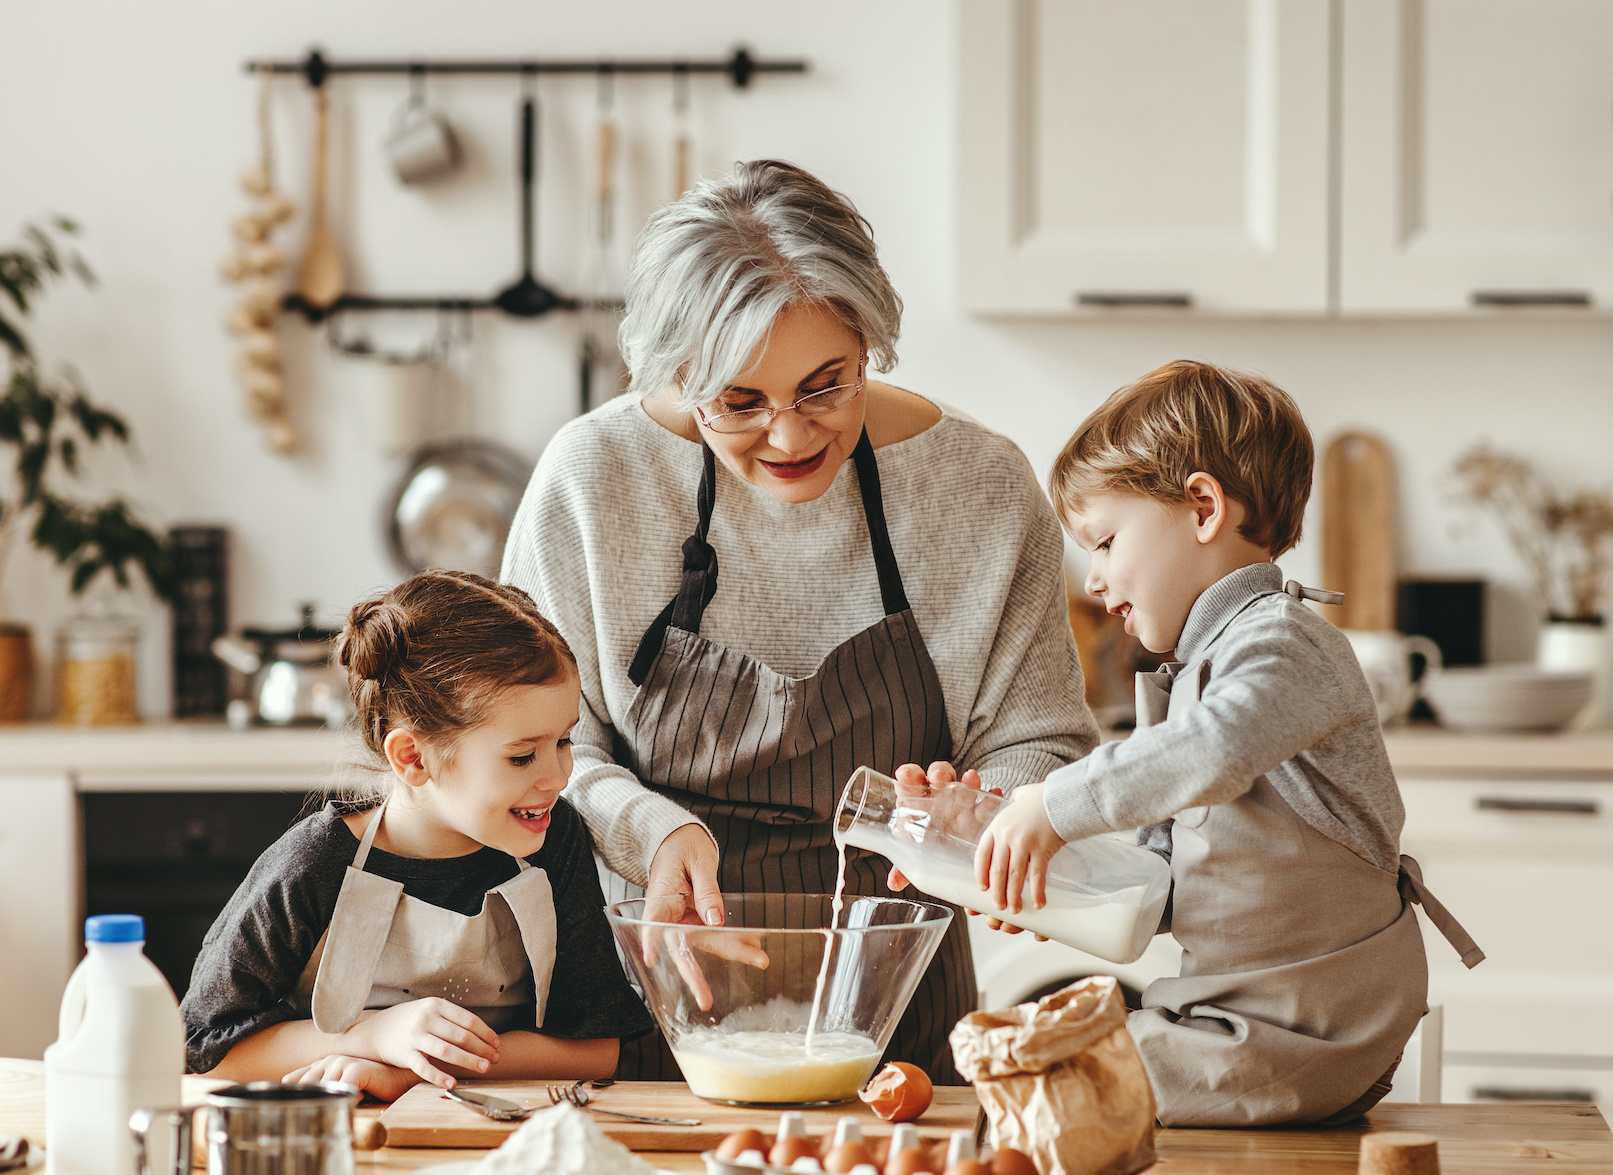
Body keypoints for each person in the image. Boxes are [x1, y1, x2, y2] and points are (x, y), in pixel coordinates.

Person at [501, 160, 1096, 1083]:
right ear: (672, 374)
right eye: (738, 402)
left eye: (827, 386)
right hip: (652, 992)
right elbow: (538, 753)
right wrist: (652, 830)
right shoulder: (591, 481)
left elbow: (1041, 737)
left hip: (900, 1013)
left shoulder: (979, 487)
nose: (789, 436)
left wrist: (979, 811)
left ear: (871, 345)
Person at [967, 361, 1483, 1126]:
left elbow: (1215, 746)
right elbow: (1169, 886)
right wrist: (1052, 883)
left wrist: (1058, 802)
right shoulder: (1196, 670)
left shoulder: (1284, 643)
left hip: (1309, 1023)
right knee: (1039, 1067)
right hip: (1239, 1014)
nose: (1098, 581)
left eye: (1105, 541)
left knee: (1046, 1083)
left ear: (1203, 507)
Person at [181, 571, 653, 1102]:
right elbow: (207, 1054)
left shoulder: (554, 839)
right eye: (523, 755)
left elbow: (596, 1050)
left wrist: (411, 1073)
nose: (558, 776)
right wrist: (374, 1036)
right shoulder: (312, 867)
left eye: (564, 741)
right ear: (413, 757)